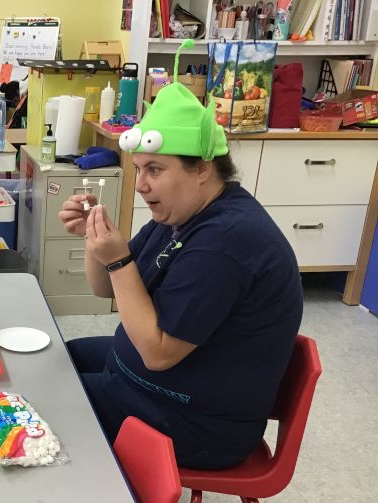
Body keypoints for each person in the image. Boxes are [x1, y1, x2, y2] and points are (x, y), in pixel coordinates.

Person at [58, 40, 303, 470]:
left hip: (199, 425)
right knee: (59, 361)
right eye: (139, 169)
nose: (141, 185)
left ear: (202, 168)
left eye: (155, 169)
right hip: (152, 383)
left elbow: (157, 353)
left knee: (55, 401)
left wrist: (118, 259)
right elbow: (105, 291)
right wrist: (95, 241)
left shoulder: (227, 241)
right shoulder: (179, 215)